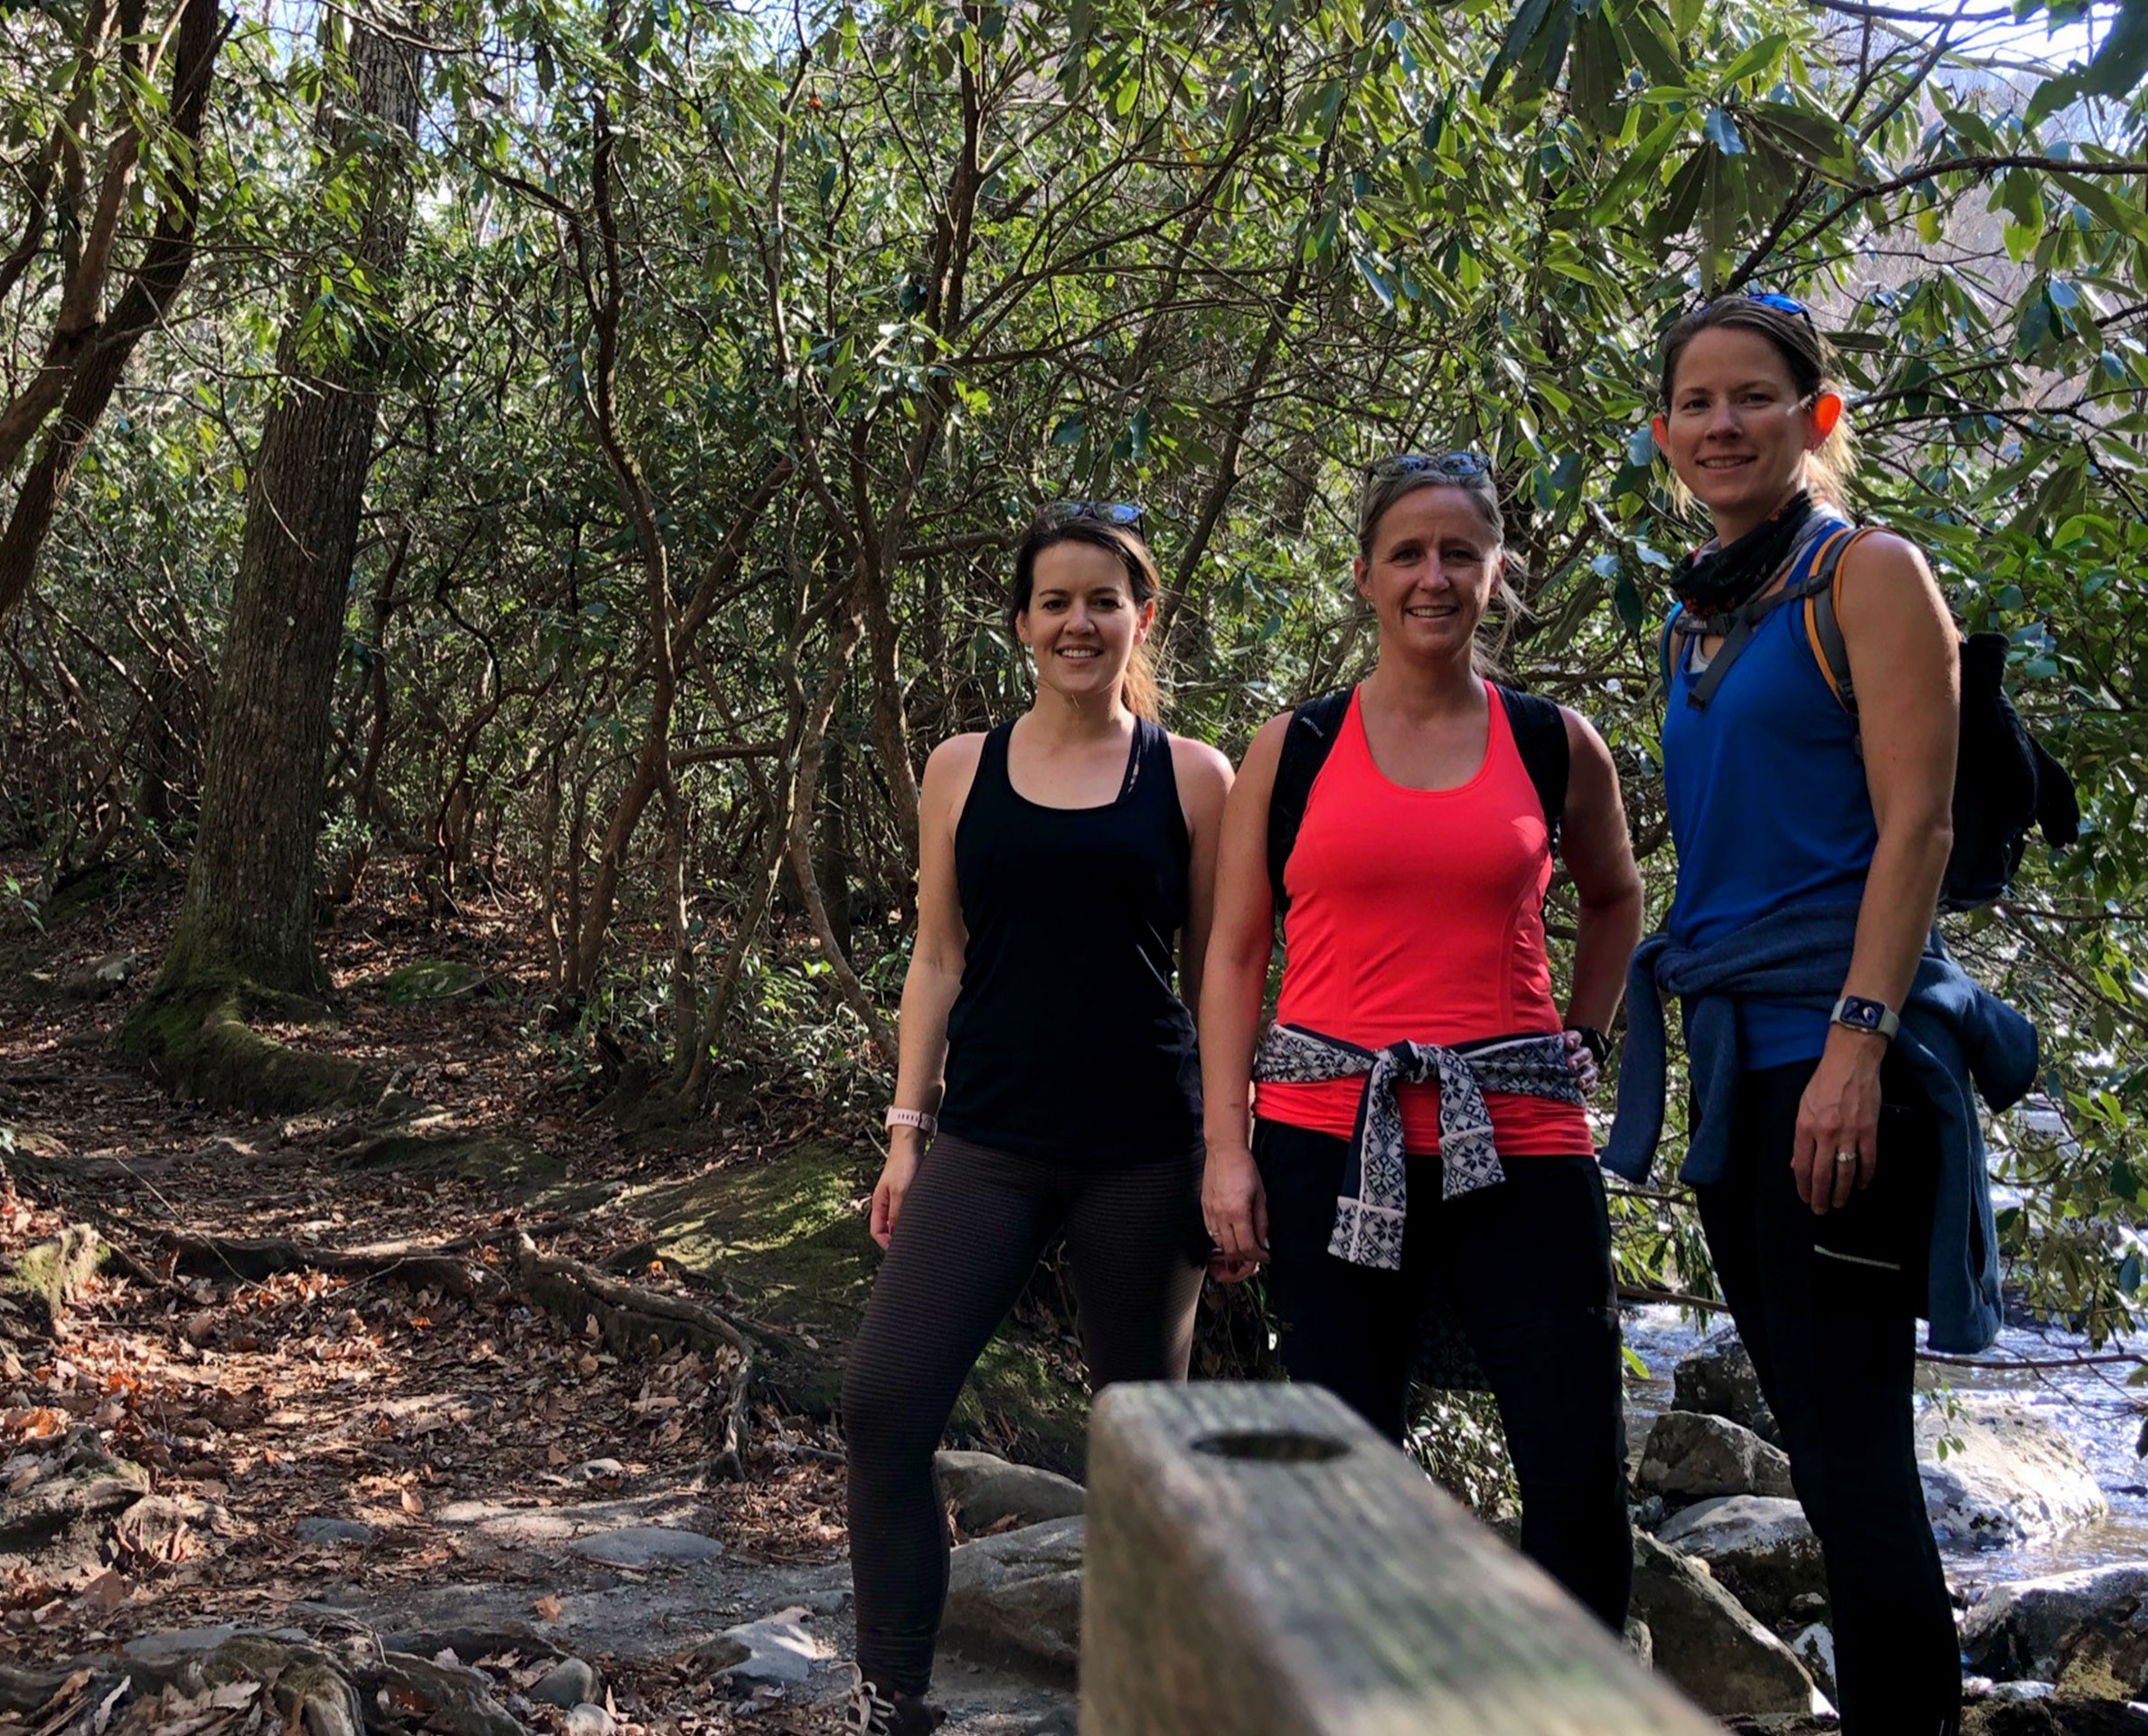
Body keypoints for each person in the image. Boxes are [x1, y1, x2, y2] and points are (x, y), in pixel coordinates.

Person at [1601, 292, 2037, 1736]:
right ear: (1664, 434)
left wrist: (1855, 1045)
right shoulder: (1696, 613)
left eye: (1755, 397)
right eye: (1697, 404)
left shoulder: (1869, 576)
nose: (1724, 424)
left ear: (1817, 416)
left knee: (1855, 1467)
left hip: (1842, 1061)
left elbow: (1916, 827)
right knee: (1819, 1440)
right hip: (1740, 1069)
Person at [1196, 451, 1644, 1628]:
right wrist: (1225, 1148)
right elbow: (1238, 954)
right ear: (1364, 576)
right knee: (1344, 1464)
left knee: (1573, 1466)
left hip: (1523, 1141)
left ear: (1497, 575)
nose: (1433, 576)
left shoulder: (1553, 743)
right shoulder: (1291, 748)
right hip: (1326, 1138)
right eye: (1408, 552)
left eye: (1459, 553)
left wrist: (1586, 1033)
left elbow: (1616, 898)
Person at [840, 504, 1232, 1736]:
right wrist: (907, 1133)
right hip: (992, 1141)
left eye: (1103, 600)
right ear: (1022, 624)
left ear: (1141, 619)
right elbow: (938, 957)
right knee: (885, 1407)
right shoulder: (961, 766)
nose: (1079, 621)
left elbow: (1221, 967)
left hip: (1144, 1150)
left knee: (1140, 1451)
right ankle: (892, 1696)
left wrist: (1232, 1146)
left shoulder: (1194, 776)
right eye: (1055, 601)